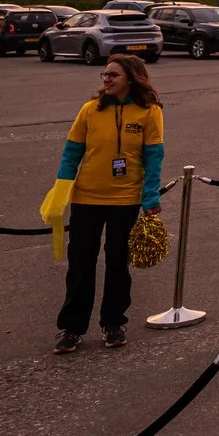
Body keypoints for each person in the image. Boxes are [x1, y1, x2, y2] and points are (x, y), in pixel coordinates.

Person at [51, 54, 165, 354]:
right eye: (105, 74)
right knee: (80, 265)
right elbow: (71, 154)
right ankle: (72, 328)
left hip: (125, 200)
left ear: (131, 78)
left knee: (117, 264)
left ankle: (113, 322)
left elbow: (153, 158)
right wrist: (60, 193)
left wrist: (150, 197)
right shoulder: (90, 110)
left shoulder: (149, 112)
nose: (106, 79)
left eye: (113, 75)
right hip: (86, 198)